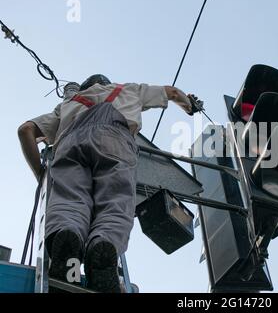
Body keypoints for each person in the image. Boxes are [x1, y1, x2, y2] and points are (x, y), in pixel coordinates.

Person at [17, 74, 200, 292]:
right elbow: (172, 93)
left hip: (70, 143)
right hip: (115, 142)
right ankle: (103, 246)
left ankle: (69, 253)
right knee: (115, 204)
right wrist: (189, 105)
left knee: (70, 202)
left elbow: (25, 130)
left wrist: (42, 175)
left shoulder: (68, 104)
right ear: (107, 84)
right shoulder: (129, 90)